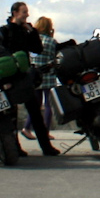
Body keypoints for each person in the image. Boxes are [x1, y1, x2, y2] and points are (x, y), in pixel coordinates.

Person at [0, 2, 57, 156]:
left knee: (35, 112)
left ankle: (46, 147)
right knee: (11, 114)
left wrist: (32, 32)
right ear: (15, 13)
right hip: (9, 76)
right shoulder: (4, 31)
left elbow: (37, 49)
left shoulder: (26, 31)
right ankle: (15, 147)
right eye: (24, 12)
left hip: (24, 75)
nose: (27, 15)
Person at [32, 15, 59, 147]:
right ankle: (46, 131)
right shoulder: (51, 41)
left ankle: (29, 128)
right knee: (48, 105)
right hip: (48, 76)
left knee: (35, 105)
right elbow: (56, 57)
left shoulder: (34, 40)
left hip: (36, 76)